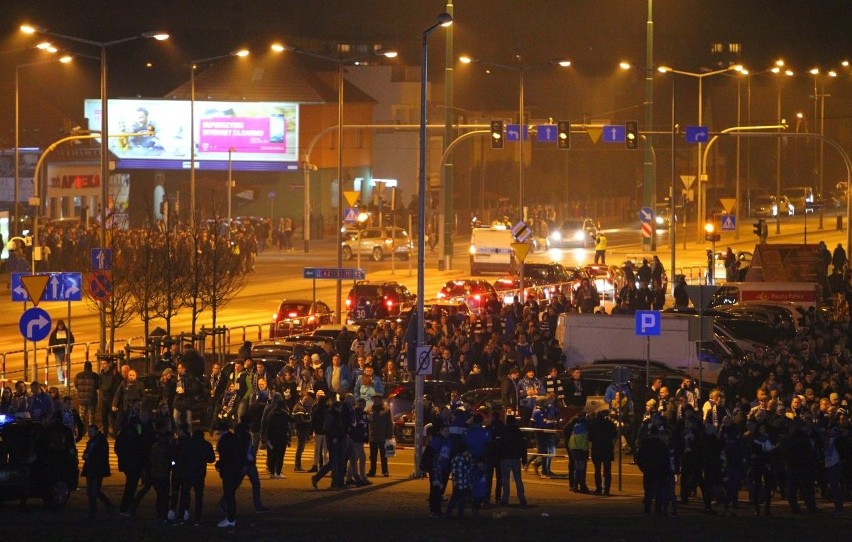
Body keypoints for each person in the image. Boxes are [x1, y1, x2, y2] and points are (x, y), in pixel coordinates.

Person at [177, 429, 216, 526]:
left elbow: (181, 457)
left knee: (185, 494)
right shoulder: (206, 445)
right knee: (199, 496)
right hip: (199, 473)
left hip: (187, 472)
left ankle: (183, 514)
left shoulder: (187, 444)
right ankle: (197, 518)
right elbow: (211, 459)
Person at [81, 424, 113, 521]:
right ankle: (98, 509)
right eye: (89, 431)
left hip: (97, 469)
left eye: (91, 431)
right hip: (91, 468)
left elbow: (101, 455)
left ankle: (95, 511)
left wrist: (89, 456)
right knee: (92, 491)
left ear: (96, 431)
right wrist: (85, 455)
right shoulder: (92, 441)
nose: (89, 433)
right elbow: (88, 452)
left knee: (94, 491)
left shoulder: (100, 441)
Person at [215, 423, 244, 528]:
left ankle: (230, 518)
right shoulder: (234, 438)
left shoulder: (223, 439)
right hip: (235, 469)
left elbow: (224, 456)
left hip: (228, 470)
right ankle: (230, 517)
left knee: (229, 494)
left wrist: (219, 464)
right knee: (230, 494)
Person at [497, 414, 527, 506]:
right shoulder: (518, 432)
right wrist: (524, 458)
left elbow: (499, 445)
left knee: (505, 479)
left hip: (505, 458)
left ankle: (505, 498)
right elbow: (523, 446)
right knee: (518, 479)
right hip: (516, 457)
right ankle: (522, 498)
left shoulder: (503, 431)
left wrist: (499, 456)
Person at [588, 409, 617, 495]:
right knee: (607, 470)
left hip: (597, 448)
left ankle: (599, 488)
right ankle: (607, 489)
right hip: (607, 448)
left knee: (597, 470)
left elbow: (590, 437)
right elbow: (614, 435)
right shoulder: (609, 424)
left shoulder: (593, 424)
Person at [367, 394, 393, 477]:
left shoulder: (386, 409)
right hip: (373, 436)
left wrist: (389, 435)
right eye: (374, 399)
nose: (375, 401)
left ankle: (385, 471)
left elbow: (389, 423)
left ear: (381, 400)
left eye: (377, 399)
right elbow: (367, 422)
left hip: (383, 436)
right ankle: (372, 470)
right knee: (373, 456)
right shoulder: (370, 409)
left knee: (384, 456)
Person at [74, 361, 100, 426]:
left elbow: (76, 385)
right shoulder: (95, 376)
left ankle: (81, 432)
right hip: (92, 400)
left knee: (81, 417)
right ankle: (91, 432)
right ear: (91, 367)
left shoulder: (78, 375)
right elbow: (98, 386)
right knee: (91, 417)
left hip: (82, 401)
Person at [48, 319, 74, 384]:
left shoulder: (67, 332)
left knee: (67, 365)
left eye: (61, 325)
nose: (60, 326)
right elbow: (50, 342)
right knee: (59, 365)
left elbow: (72, 340)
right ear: (57, 326)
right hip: (57, 352)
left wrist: (70, 348)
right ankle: (60, 378)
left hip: (66, 352)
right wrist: (49, 350)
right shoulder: (54, 333)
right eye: (59, 325)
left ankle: (66, 376)